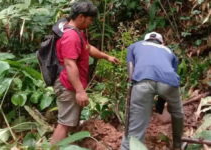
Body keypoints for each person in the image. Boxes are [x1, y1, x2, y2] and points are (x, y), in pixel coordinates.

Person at [50, 0, 119, 144]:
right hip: (68, 85)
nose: (91, 22)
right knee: (65, 123)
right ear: (81, 16)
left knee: (69, 122)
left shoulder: (77, 33)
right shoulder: (71, 37)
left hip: (70, 84)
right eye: (90, 19)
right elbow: (69, 64)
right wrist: (80, 91)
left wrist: (107, 56)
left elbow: (88, 48)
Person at [121, 32, 184, 150]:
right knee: (178, 112)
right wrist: (160, 105)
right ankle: (177, 145)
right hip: (169, 82)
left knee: (136, 127)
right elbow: (172, 73)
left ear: (145, 40)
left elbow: (131, 66)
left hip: (143, 81)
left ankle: (130, 146)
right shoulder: (169, 51)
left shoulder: (135, 45)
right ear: (162, 42)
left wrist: (132, 83)